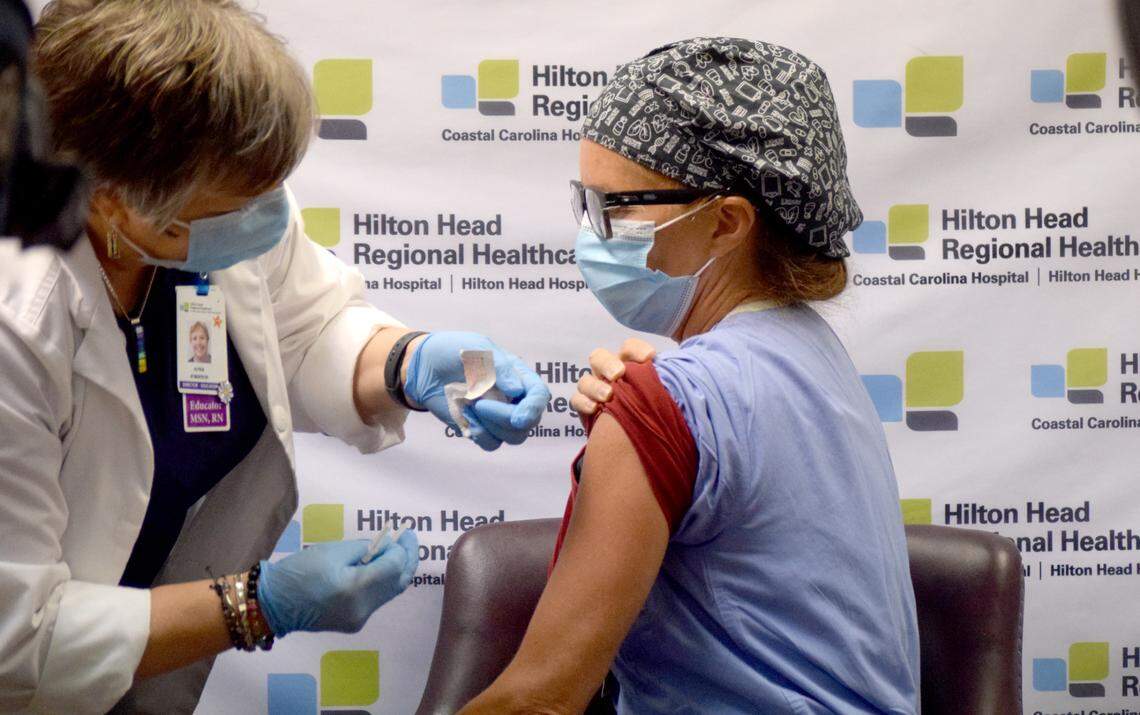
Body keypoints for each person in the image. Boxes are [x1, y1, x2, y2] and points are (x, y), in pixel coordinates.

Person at [0, 1, 550, 713]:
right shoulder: (20, 317)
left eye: (270, 193)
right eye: (238, 206)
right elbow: (18, 636)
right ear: (110, 202)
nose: (268, 220)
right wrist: (254, 604)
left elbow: (310, 322)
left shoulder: (210, 205)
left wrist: (408, 364)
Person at [462, 38, 920, 714]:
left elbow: (539, 701)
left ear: (726, 223)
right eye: (584, 202)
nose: (591, 233)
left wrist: (643, 426)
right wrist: (640, 435)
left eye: (615, 207)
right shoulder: (812, 354)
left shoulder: (672, 401)